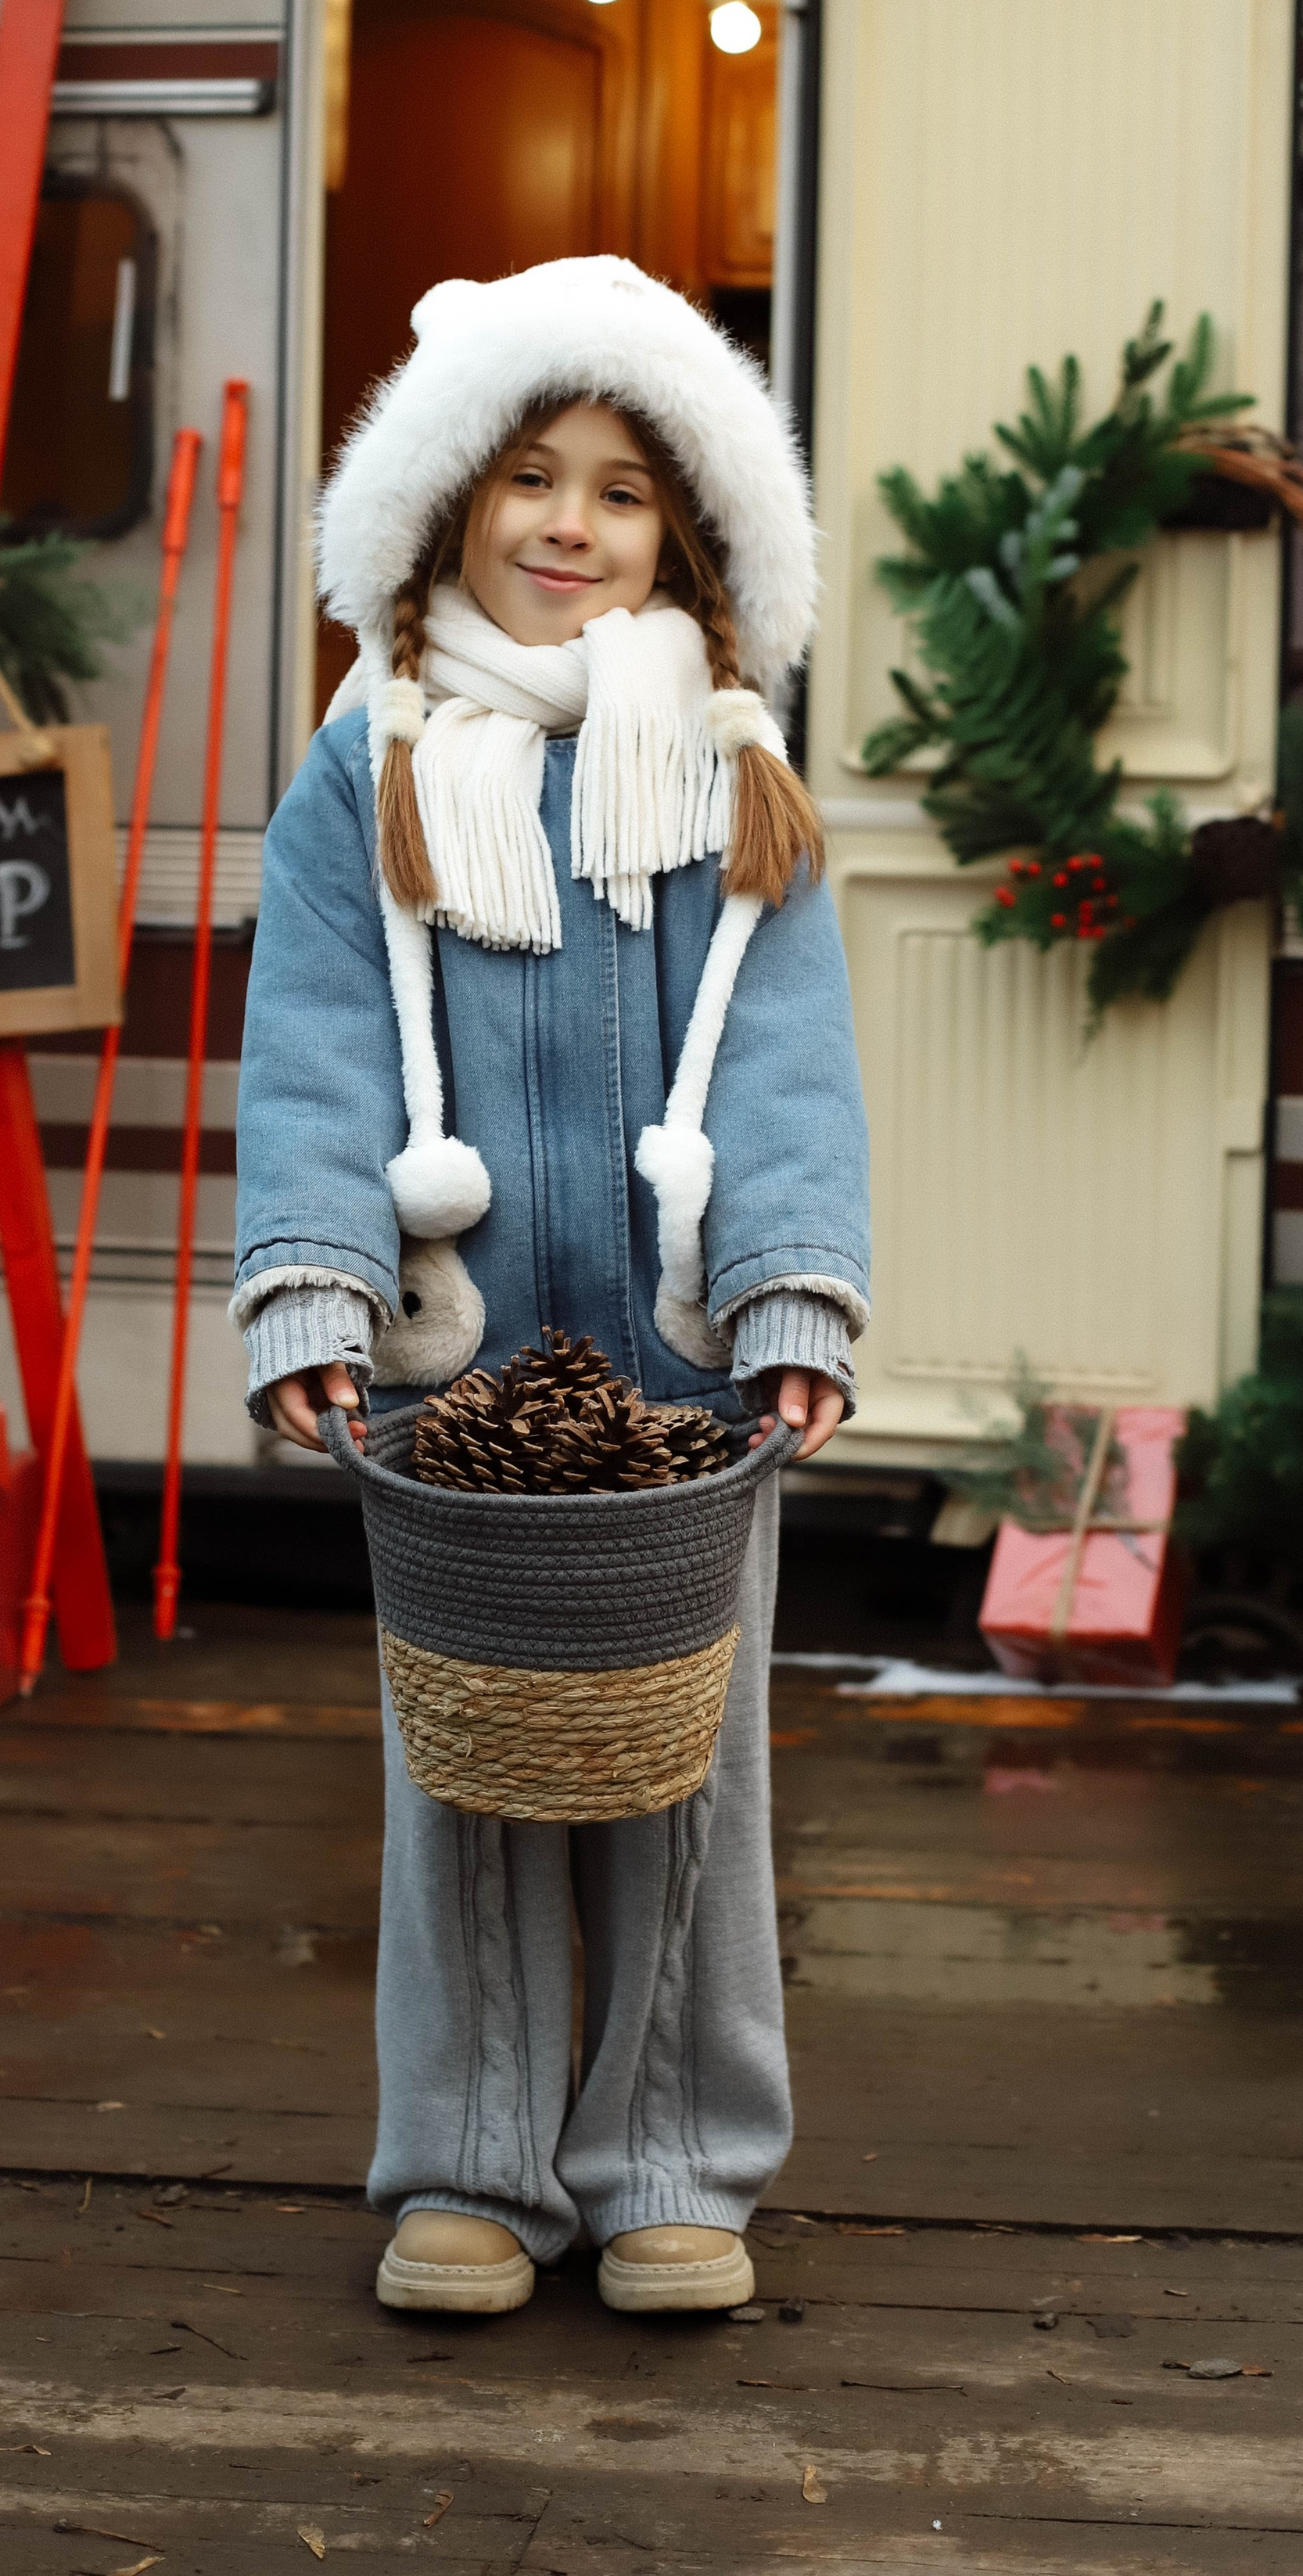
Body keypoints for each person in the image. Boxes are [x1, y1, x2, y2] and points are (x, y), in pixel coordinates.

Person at [232, 256, 870, 2317]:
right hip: (458, 1369)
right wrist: (316, 1283)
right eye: (528, 475)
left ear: (684, 533)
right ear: (446, 498)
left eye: (620, 489)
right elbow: (318, 1038)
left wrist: (792, 1294)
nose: (569, 524)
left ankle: (675, 2159)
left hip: (682, 1375)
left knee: (688, 1778)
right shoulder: (370, 765)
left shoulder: (730, 769)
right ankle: (474, 2168)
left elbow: (786, 1054)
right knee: (466, 1779)